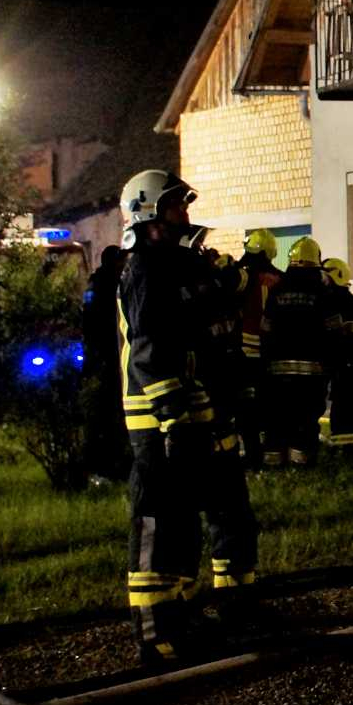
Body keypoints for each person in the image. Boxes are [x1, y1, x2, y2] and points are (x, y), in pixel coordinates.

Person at [116, 169, 260, 665]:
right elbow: (149, 350)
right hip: (160, 426)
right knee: (162, 527)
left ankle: (204, 617)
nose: (185, 214)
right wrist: (172, 416)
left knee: (209, 522)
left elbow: (214, 331)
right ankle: (156, 634)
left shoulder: (183, 267)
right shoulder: (144, 270)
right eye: (176, 207)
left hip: (203, 416)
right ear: (149, 214)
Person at [262, 236, 340, 467]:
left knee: (277, 415)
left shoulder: (277, 290)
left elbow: (265, 329)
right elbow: (333, 329)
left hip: (277, 371)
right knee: (305, 417)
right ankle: (301, 461)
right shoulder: (322, 291)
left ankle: (274, 459)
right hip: (311, 372)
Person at [80, 244, 130, 482]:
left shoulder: (107, 283)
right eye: (121, 262)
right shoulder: (104, 285)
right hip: (106, 356)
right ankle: (107, 465)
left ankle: (115, 462)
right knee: (107, 413)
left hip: (110, 355)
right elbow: (95, 323)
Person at [234, 228, 281, 468]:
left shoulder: (241, 276)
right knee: (271, 404)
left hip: (243, 353)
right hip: (271, 352)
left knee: (246, 406)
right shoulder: (281, 279)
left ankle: (252, 454)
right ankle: (271, 451)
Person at [321, 257, 353, 455]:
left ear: (335, 276)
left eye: (325, 275)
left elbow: (338, 337)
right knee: (348, 405)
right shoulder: (348, 300)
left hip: (346, 362)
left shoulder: (337, 301)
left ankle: (345, 448)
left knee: (342, 407)